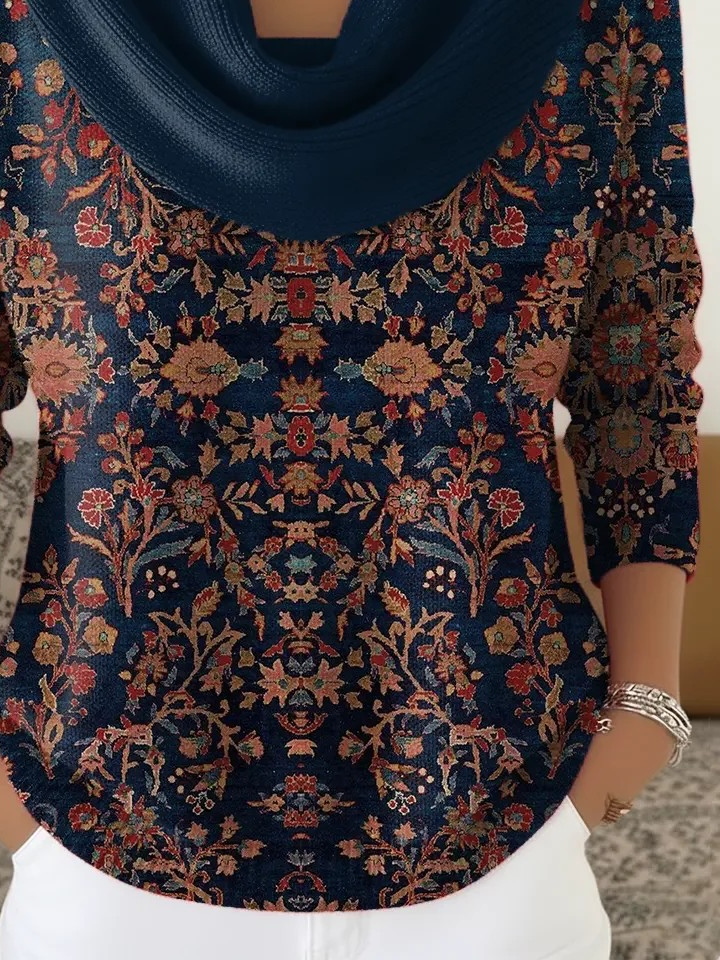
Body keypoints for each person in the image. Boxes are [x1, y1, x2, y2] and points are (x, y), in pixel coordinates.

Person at [0, 0, 702, 957]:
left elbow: (635, 378)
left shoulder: (598, 15)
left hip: (502, 826)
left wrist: (643, 722)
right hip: (97, 828)